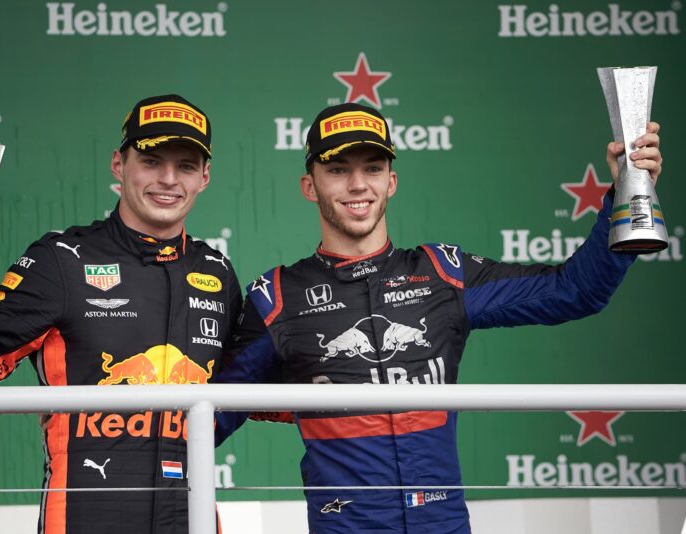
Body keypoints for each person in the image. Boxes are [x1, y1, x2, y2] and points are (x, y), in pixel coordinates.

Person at [217, 103, 663, 533]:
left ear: (391, 182)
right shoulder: (276, 295)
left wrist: (627, 190)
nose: (358, 185)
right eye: (337, 170)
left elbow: (574, 291)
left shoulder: (441, 272)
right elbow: (213, 412)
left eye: (372, 168)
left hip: (443, 525)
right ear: (309, 186)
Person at [0, 94, 242, 533]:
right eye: (150, 161)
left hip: (191, 518)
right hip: (84, 518)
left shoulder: (217, 272)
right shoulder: (63, 259)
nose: (168, 179)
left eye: (186, 165)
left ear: (204, 177)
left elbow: (249, 387)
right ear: (119, 164)